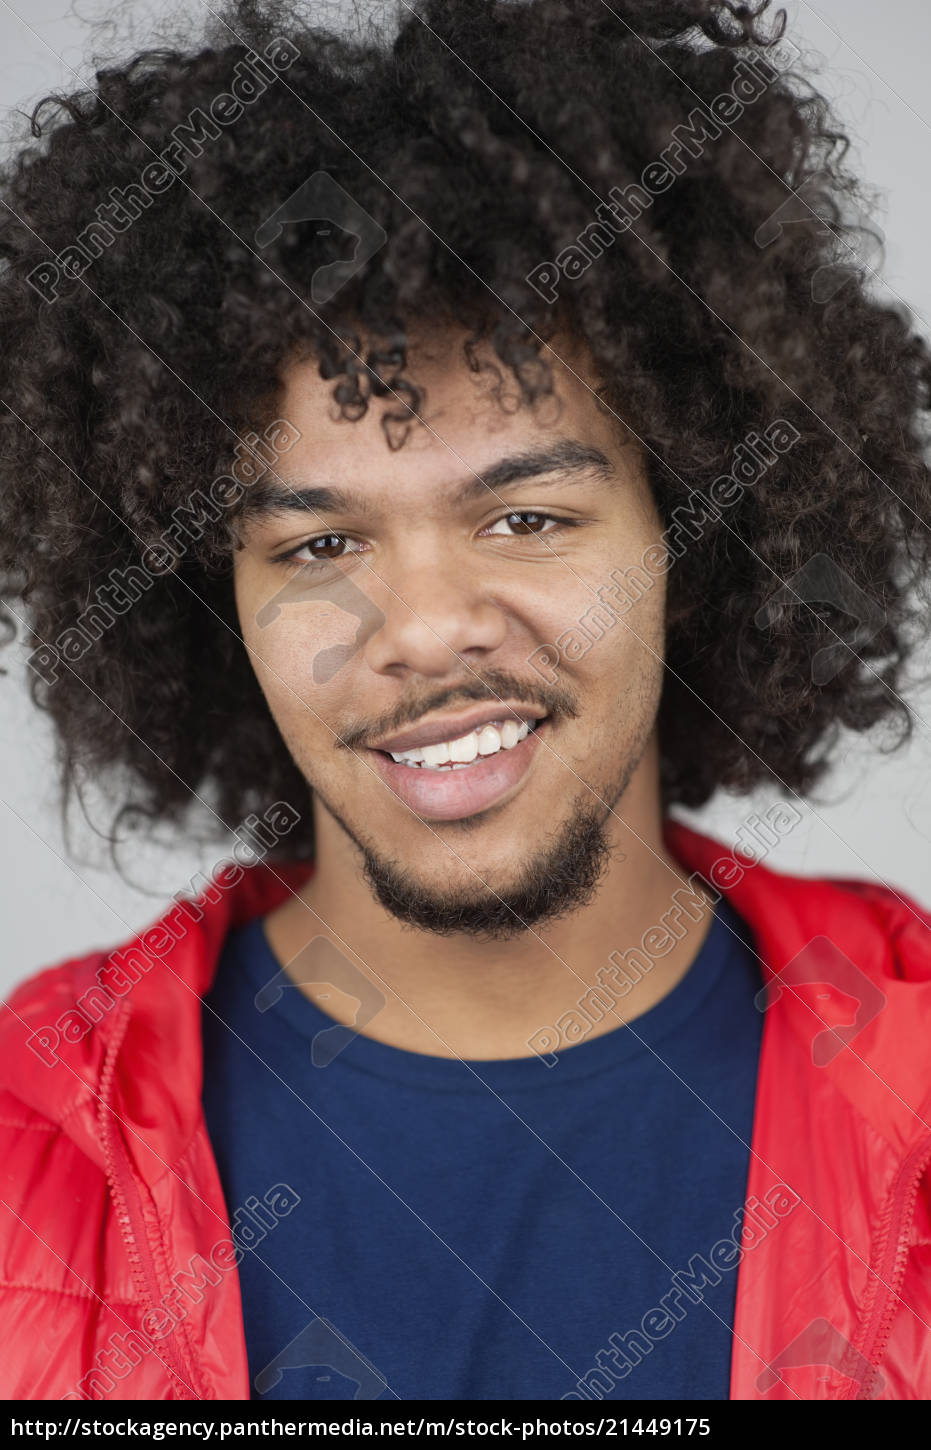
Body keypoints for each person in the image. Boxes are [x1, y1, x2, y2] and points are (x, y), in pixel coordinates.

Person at [1, 0, 930, 1403]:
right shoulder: (30, 1146)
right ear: (214, 603)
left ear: (700, 535)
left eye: (527, 519)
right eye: (319, 545)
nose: (426, 630)